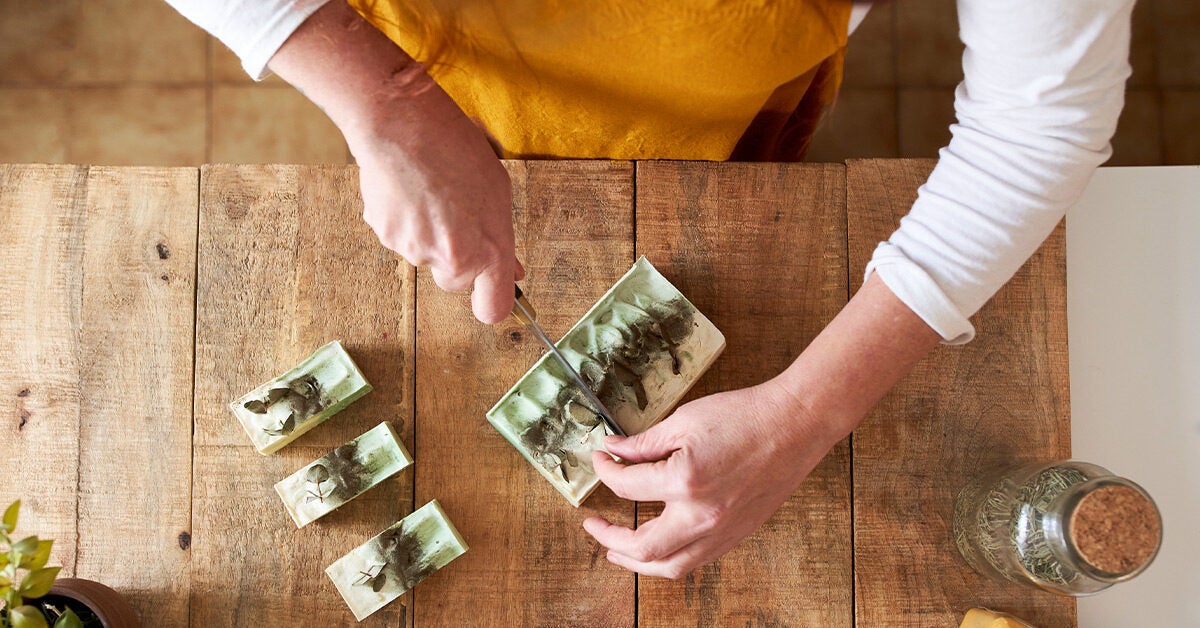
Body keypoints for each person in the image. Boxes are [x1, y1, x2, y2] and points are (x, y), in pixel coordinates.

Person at [165, 0, 1133, 579]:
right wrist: (378, 98)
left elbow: (1038, 126)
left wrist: (803, 412)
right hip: (408, 45)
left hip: (704, 103)